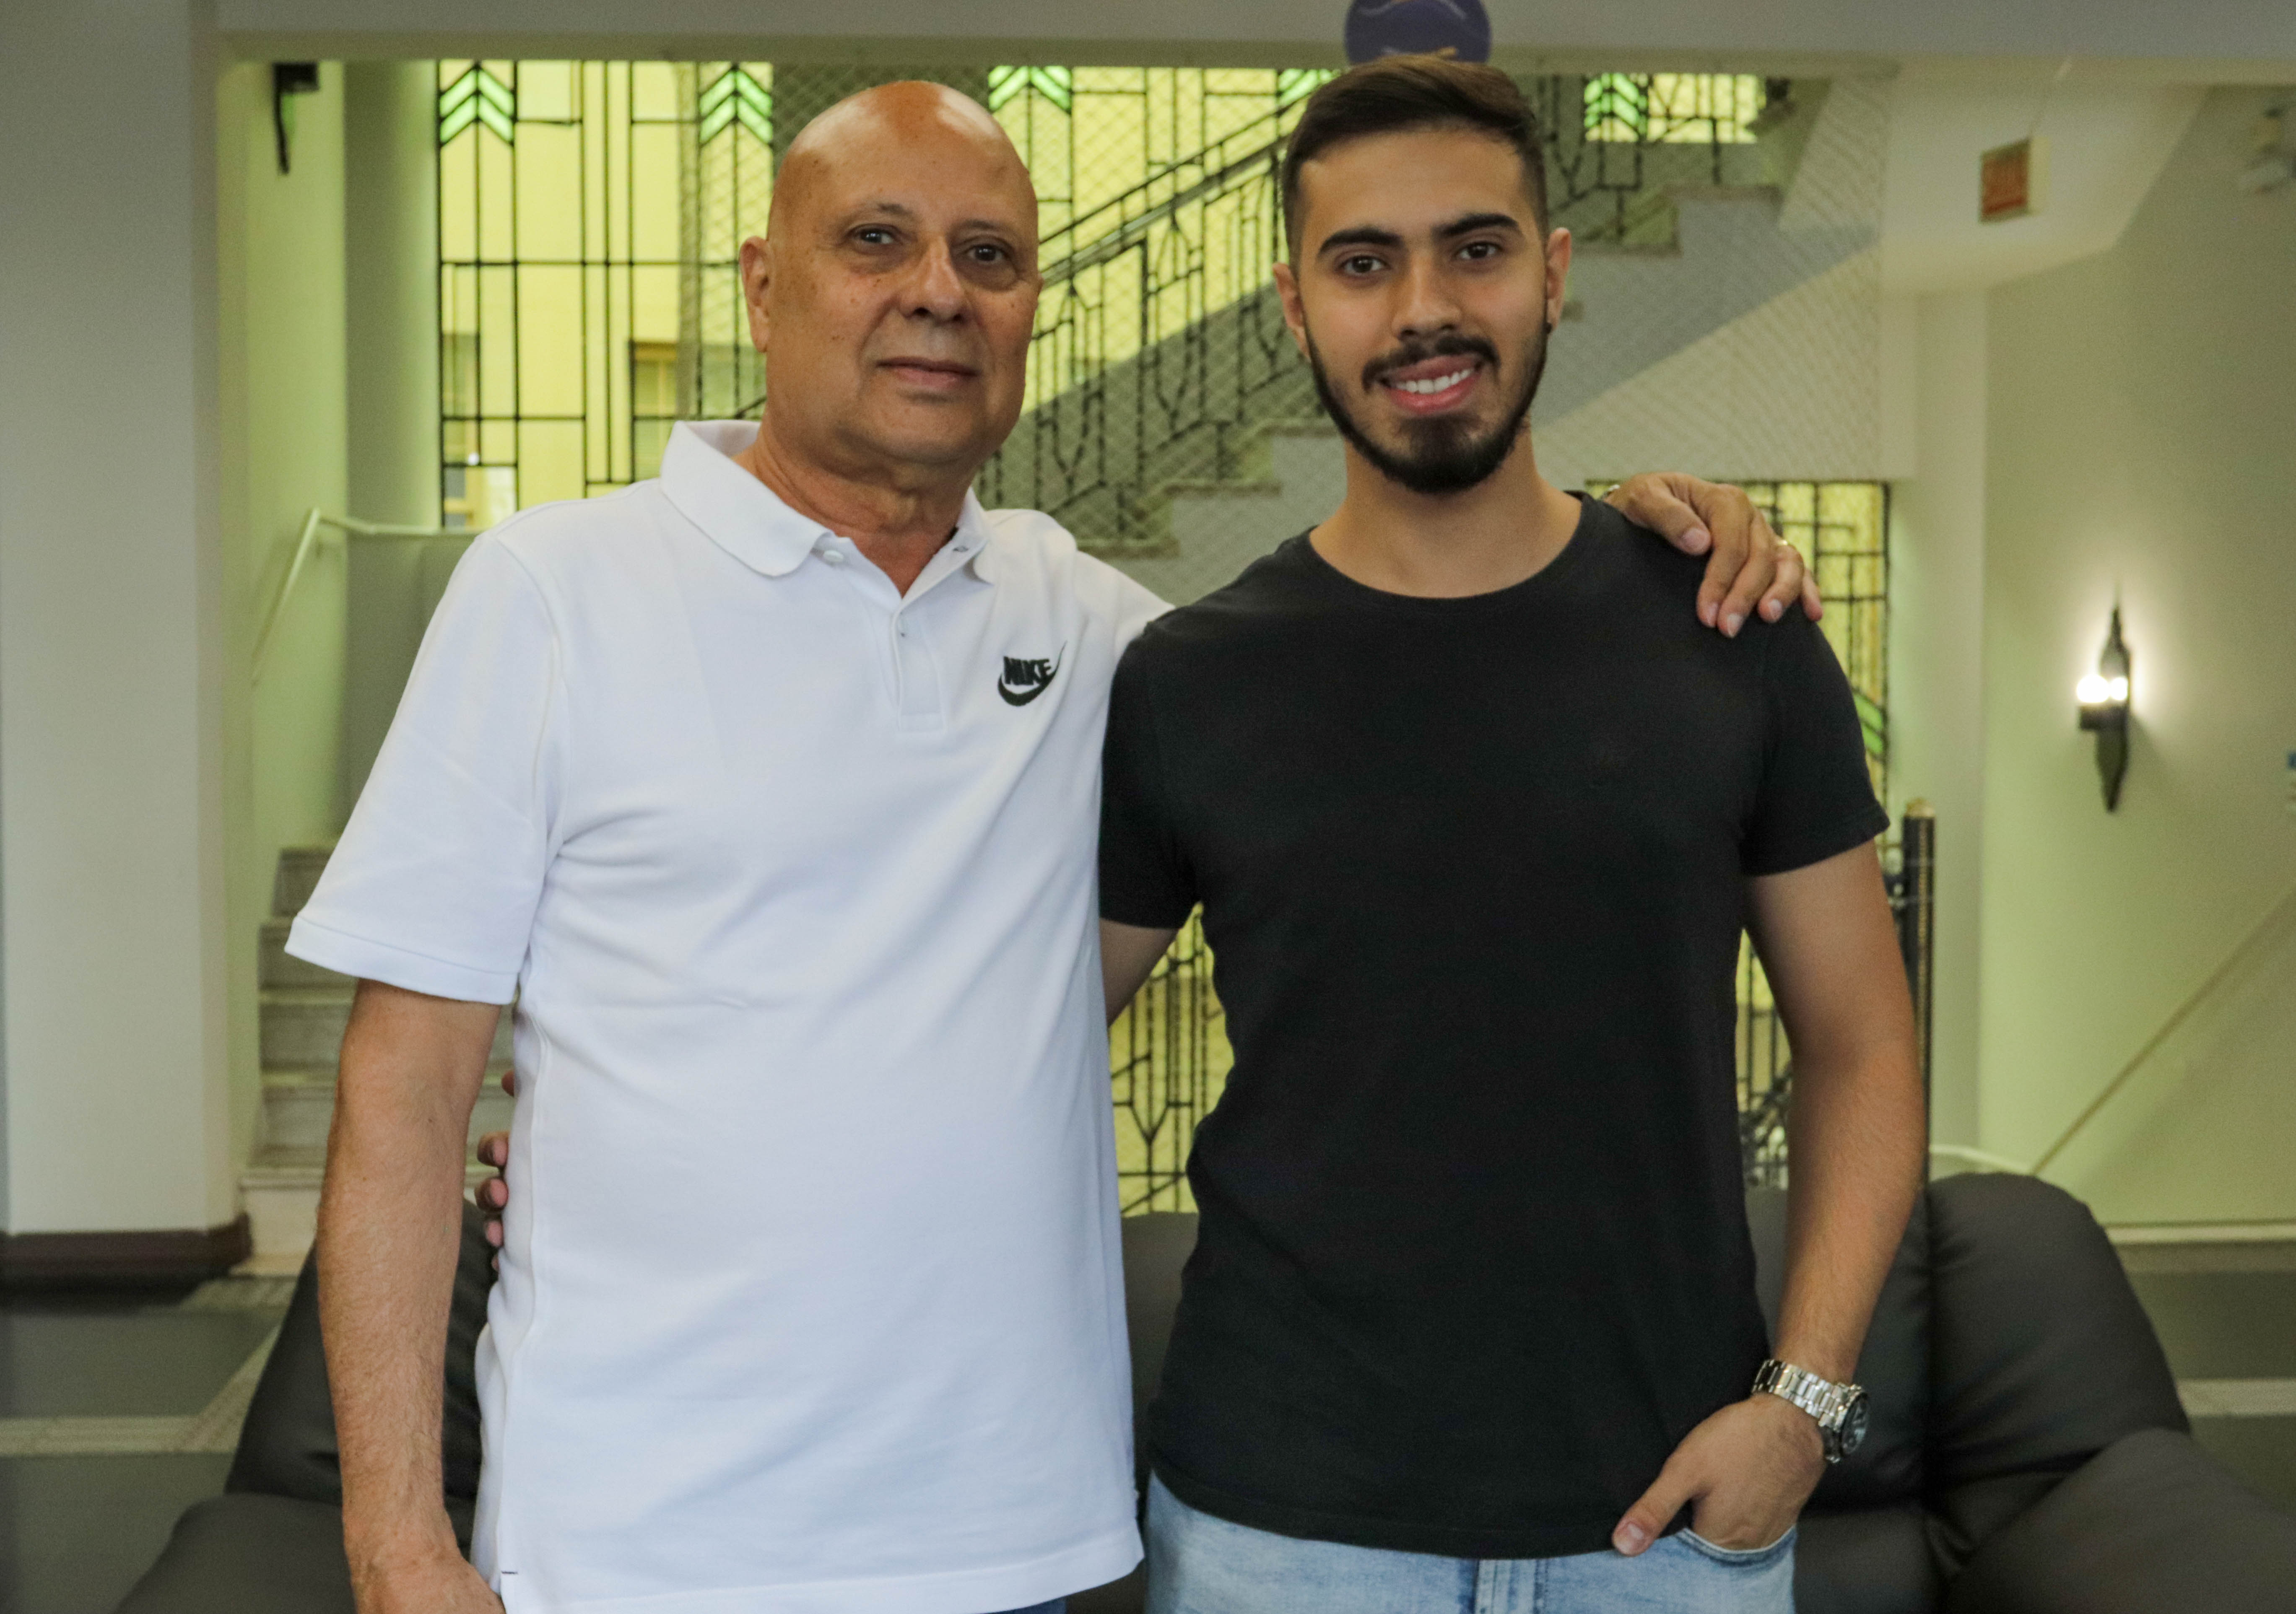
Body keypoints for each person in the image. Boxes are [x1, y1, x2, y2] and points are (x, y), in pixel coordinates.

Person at [301, 80, 1819, 1614]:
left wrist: (1653, 531)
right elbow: (405, 1088)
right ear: (764, 285)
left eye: (990, 255)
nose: (936, 293)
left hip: (1014, 1539)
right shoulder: (554, 591)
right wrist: (399, 1546)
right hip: (632, 1541)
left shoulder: (1109, 639)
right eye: (875, 241)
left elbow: (1407, 669)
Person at [1093, 57, 1926, 1614]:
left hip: (1669, 1532)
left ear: (1550, 274)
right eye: (1362, 262)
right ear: (1294, 306)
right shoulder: (1185, 680)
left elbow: (1862, 1040)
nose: (1424, 309)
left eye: (1472, 249)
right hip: (1283, 1535)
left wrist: (1803, 1403)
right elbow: (1017, 1037)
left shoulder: (1728, 629)